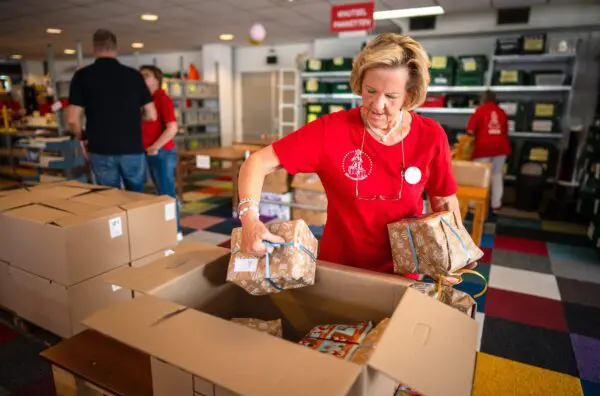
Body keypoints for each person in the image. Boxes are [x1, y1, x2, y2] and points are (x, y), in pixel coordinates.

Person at [237, 33, 465, 285]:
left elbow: (443, 199)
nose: (377, 105)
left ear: (409, 96)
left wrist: (452, 251)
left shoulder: (430, 136)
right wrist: (250, 219)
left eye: (391, 96)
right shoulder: (331, 130)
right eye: (370, 91)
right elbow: (256, 162)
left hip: (403, 274)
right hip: (339, 268)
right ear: (359, 83)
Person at [66, 29, 157, 192]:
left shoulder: (82, 76)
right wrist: (132, 117)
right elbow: (151, 114)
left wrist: (82, 137)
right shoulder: (134, 75)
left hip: (100, 148)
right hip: (132, 147)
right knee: (137, 196)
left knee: (109, 197)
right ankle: (136, 218)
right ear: (116, 49)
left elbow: (72, 119)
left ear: (94, 48)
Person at [139, 65, 181, 236]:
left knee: (167, 194)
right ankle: (165, 230)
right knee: (159, 194)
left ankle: (175, 232)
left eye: (146, 75)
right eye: (140, 75)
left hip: (162, 152)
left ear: (157, 79)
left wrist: (155, 147)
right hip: (150, 152)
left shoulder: (163, 99)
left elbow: (172, 128)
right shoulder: (143, 100)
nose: (142, 78)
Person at [466, 90, 511, 211]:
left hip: (484, 148)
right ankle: (496, 205)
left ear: (482, 100)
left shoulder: (479, 111)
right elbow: (506, 131)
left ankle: (474, 204)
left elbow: (470, 131)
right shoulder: (502, 112)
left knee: (478, 176)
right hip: (501, 148)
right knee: (497, 175)